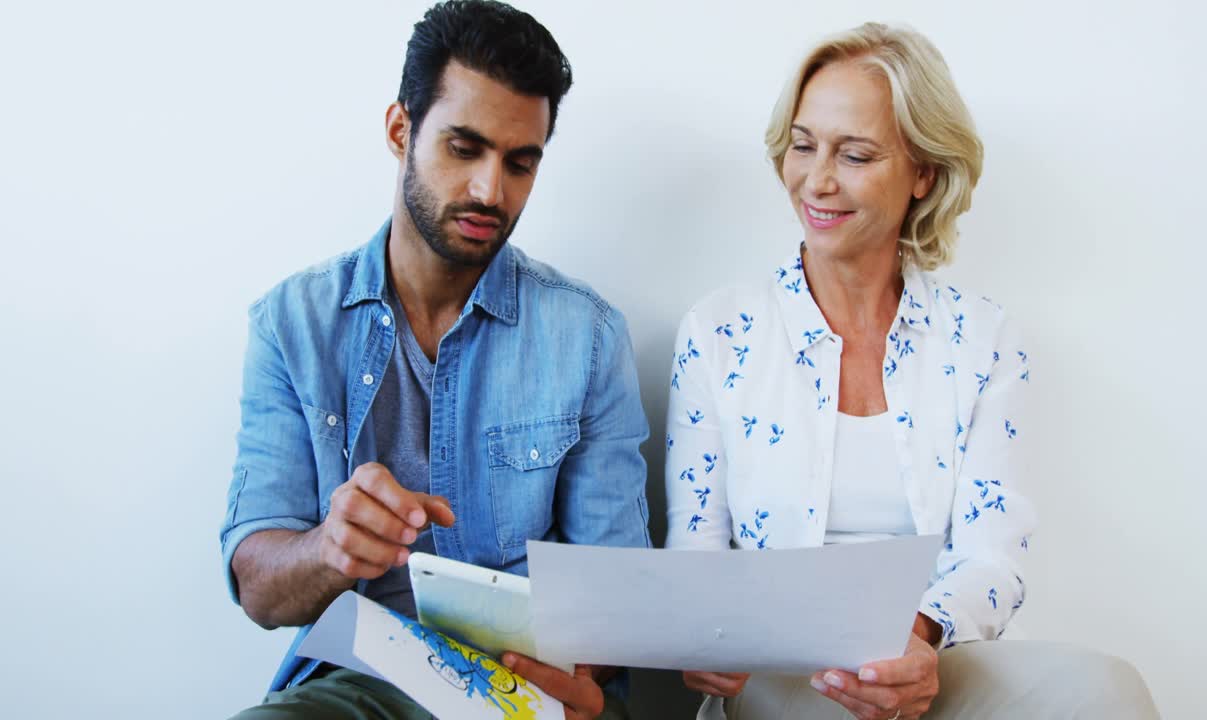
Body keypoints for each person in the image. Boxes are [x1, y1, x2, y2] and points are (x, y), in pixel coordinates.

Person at [664, 22, 1159, 719]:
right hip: (783, 671)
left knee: (1106, 689)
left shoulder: (983, 339)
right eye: (803, 145)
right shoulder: (718, 332)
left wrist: (917, 638)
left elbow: (993, 558)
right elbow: (696, 553)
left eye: (855, 154)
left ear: (923, 172)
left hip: (933, 657)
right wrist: (704, 634)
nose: (817, 179)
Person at [219, 2, 650, 718]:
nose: (490, 191)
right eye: (464, 148)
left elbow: (620, 595)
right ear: (401, 131)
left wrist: (581, 677)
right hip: (362, 687)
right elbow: (260, 590)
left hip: (530, 686)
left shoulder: (589, 336)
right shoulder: (292, 324)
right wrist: (330, 547)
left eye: (520, 163)